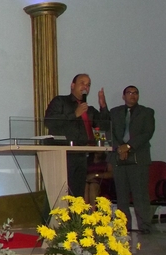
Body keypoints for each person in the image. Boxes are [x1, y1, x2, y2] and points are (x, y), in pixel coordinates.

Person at [45, 74, 109, 198]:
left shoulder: (89, 109)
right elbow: (49, 122)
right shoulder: (60, 101)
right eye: (82, 83)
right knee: (60, 194)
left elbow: (105, 125)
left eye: (88, 85)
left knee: (77, 195)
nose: (85, 87)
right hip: (63, 154)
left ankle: (75, 212)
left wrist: (103, 106)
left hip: (82, 155)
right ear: (72, 85)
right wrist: (74, 114)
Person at [110, 86, 155, 233]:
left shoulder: (147, 112)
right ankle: (123, 227)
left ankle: (145, 226)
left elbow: (147, 133)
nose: (132, 95)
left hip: (138, 158)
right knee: (121, 196)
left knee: (140, 195)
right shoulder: (114, 112)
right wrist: (120, 148)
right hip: (119, 157)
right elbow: (110, 132)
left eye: (135, 93)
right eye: (129, 93)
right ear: (124, 96)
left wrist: (128, 146)